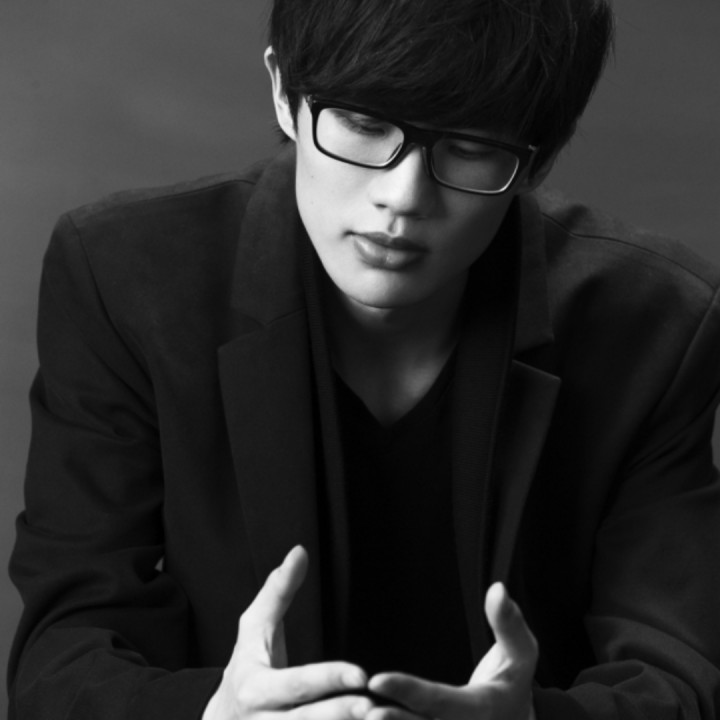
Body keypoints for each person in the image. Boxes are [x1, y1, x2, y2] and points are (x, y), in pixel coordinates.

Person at [8, 0, 720, 718]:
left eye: (470, 147)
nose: (401, 198)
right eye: (362, 125)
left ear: (536, 160)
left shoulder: (655, 323)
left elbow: (680, 676)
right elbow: (62, 657)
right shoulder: (125, 279)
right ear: (284, 92)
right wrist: (213, 714)